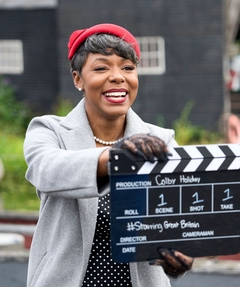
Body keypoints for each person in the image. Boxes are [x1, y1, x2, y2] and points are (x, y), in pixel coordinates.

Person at [23, 23, 193, 287]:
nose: (118, 76)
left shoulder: (162, 140)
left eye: (127, 67)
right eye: (101, 68)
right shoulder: (49, 130)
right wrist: (114, 157)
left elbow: (176, 222)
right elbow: (46, 170)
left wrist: (179, 257)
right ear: (78, 78)